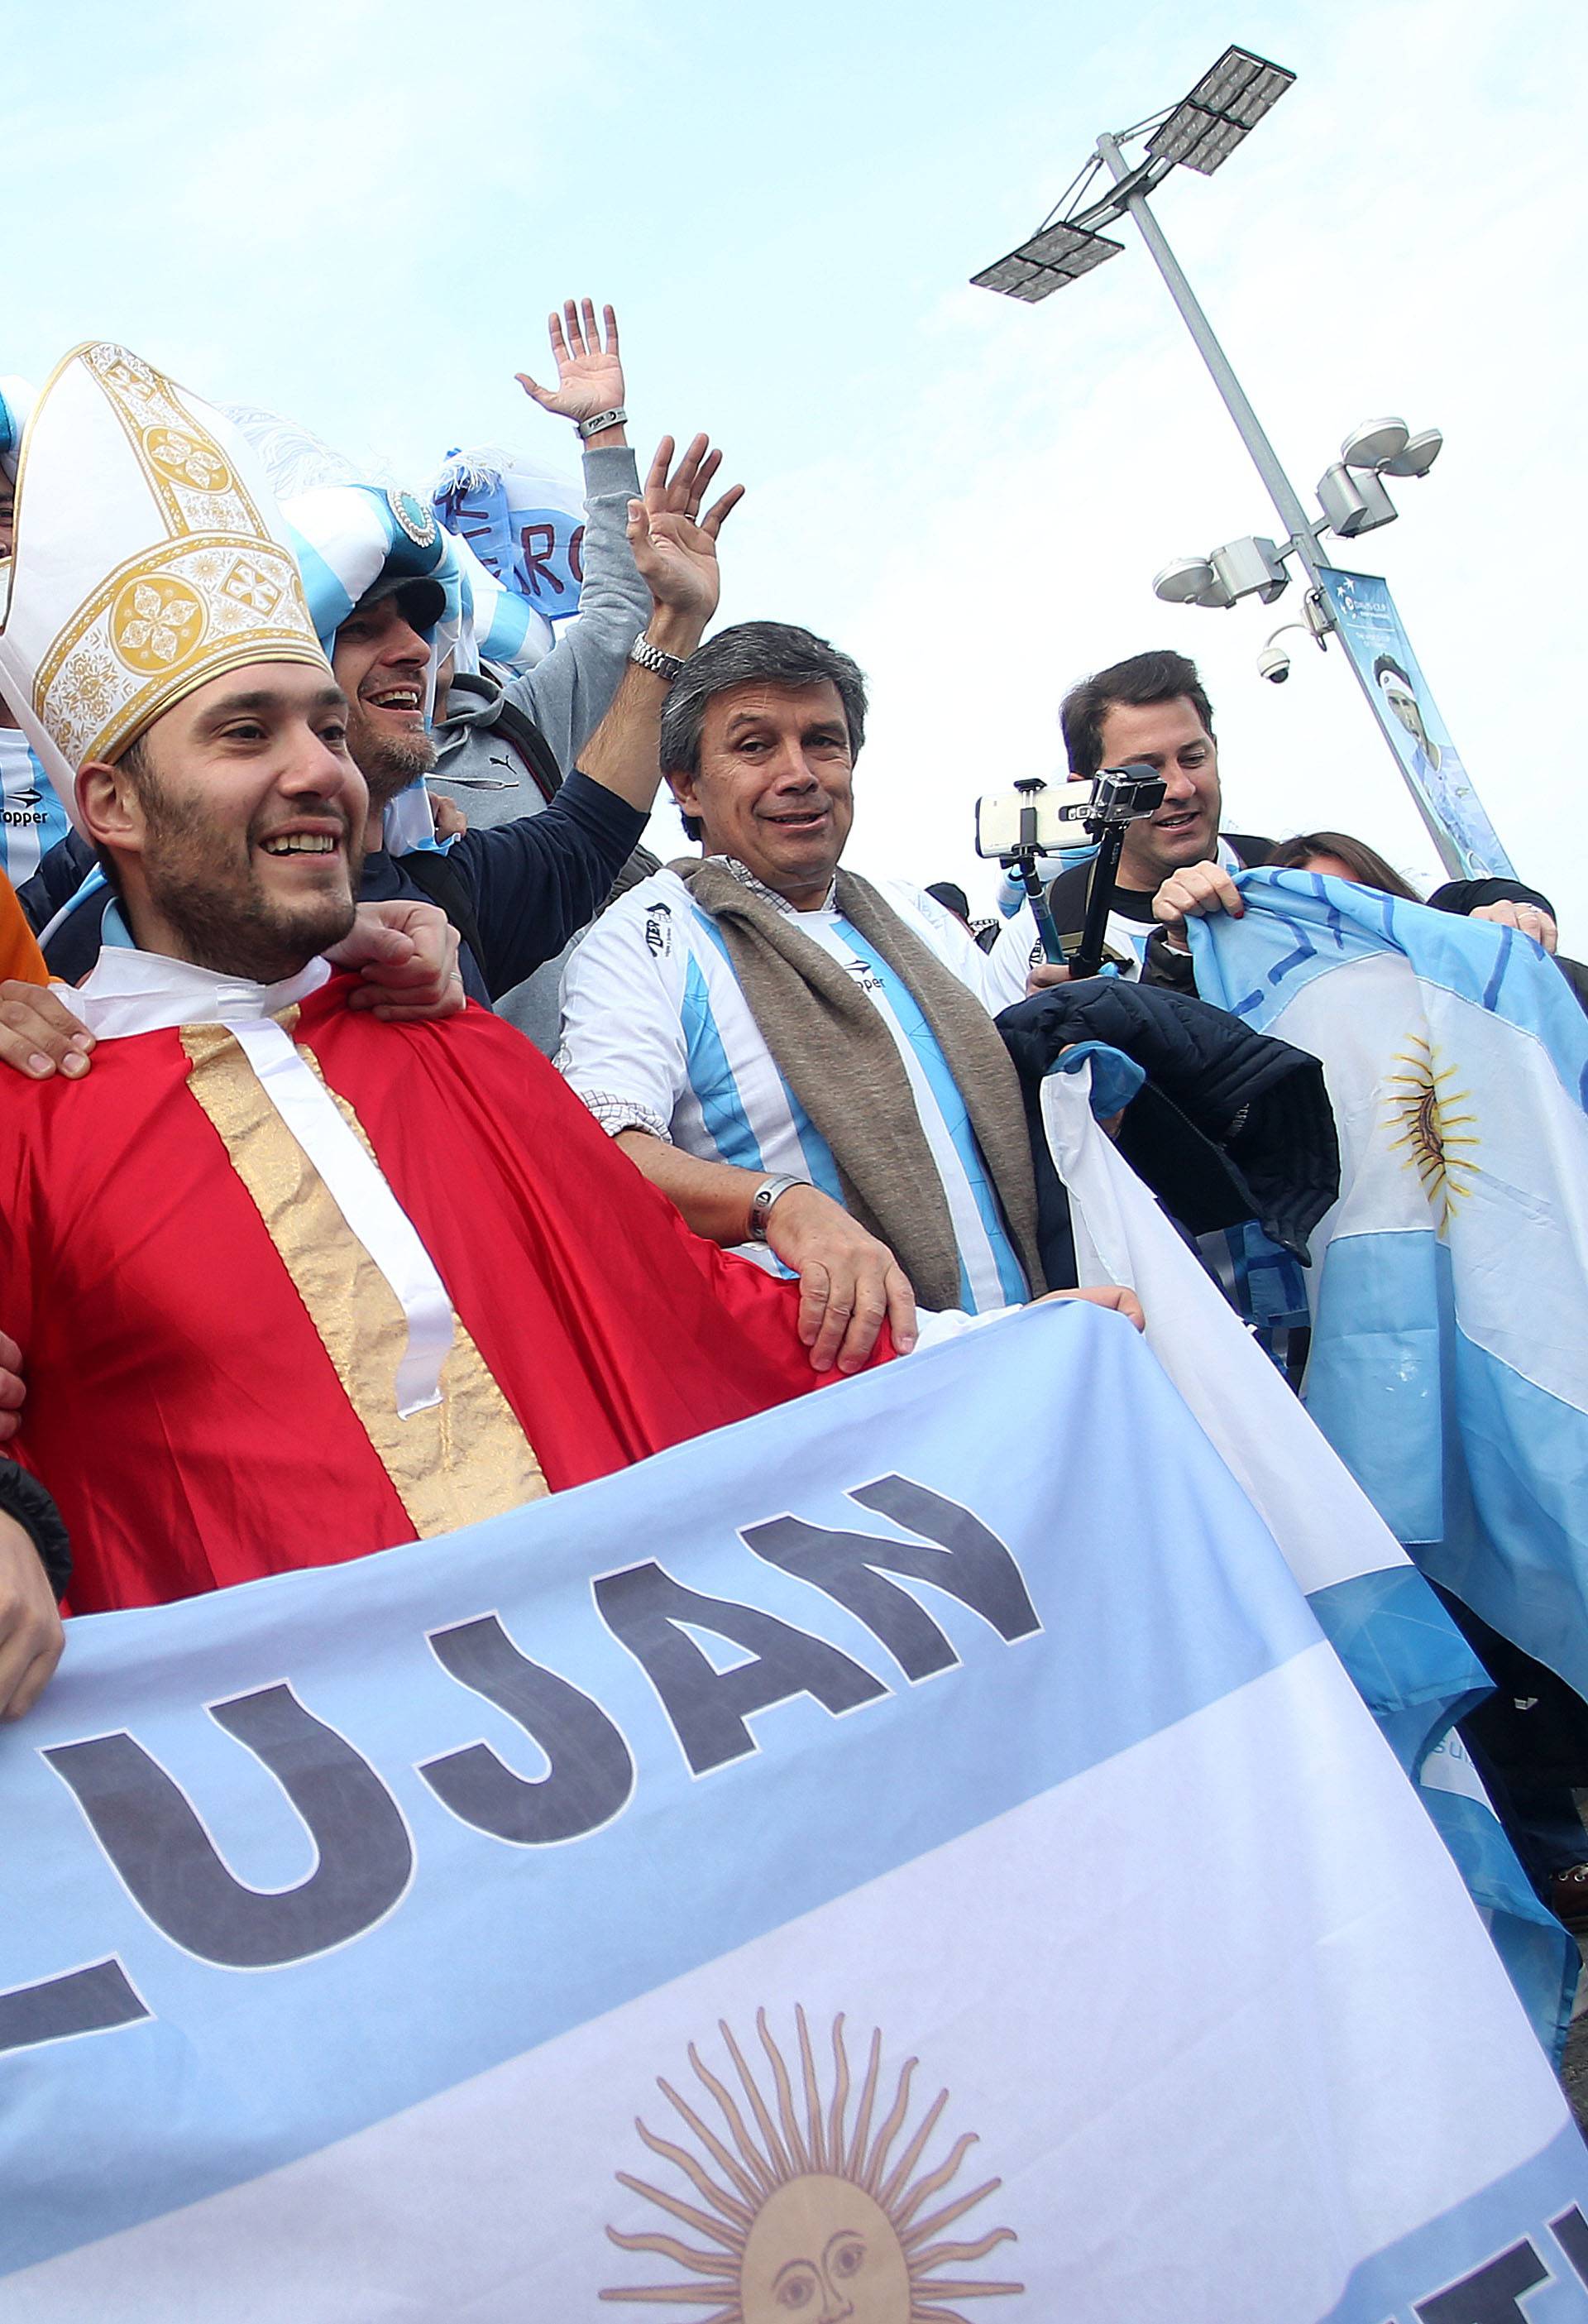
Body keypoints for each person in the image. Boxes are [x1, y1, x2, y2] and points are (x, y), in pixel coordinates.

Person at [0, 343, 1138, 1640]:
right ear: (107, 803)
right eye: (247, 732)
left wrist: (1010, 1358)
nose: (321, 769)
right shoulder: (28, 1117)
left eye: (325, 727)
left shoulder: (453, 1046)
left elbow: (689, 1311)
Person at [23, 305, 738, 1027]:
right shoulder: (86, 919)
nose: (418, 650)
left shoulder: (451, 892)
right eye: (363, 627)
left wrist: (674, 619)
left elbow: (590, 829)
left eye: (424, 624)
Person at [556, 622, 1055, 1373]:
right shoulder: (648, 939)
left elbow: (1022, 1109)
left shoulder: (913, 915)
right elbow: (599, 1153)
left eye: (824, 741)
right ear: (685, 785)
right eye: (755, 746)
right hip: (850, 1395)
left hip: (1035, 1347)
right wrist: (779, 1203)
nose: (800, 774)